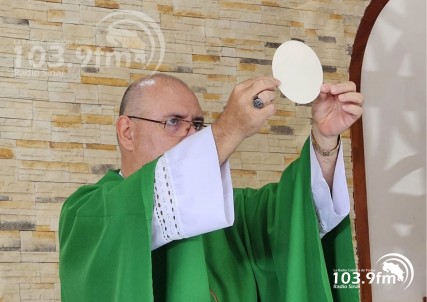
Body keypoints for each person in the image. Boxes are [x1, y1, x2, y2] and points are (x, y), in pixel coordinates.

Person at [59, 73, 364, 302]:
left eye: (198, 124)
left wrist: (325, 139)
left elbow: (302, 214)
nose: (191, 136)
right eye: (174, 122)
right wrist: (229, 127)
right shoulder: (89, 213)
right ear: (128, 132)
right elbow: (148, 203)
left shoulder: (232, 211)